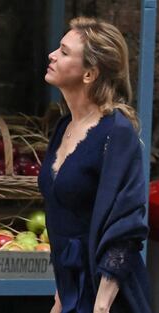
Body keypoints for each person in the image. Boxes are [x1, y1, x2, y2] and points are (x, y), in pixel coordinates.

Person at [38, 16, 151, 313]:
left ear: (89, 74)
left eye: (63, 52)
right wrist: (60, 298)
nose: (52, 55)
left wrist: (101, 306)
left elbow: (126, 227)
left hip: (109, 299)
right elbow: (62, 217)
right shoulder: (63, 127)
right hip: (71, 292)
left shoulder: (116, 133)